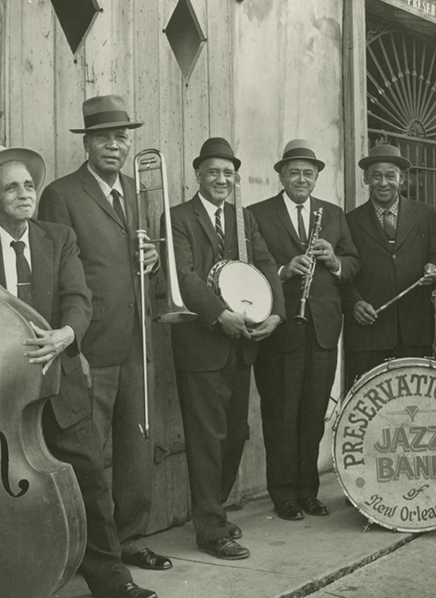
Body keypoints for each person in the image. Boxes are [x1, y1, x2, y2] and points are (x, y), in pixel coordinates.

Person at [0, 146, 157, 598]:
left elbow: (78, 297)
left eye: (28, 185)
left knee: (90, 483)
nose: (24, 194)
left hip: (57, 381)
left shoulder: (57, 237)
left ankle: (113, 582)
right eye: (11, 188)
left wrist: (67, 334)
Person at [37, 95, 171, 574]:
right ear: (87, 143)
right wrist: (73, 345)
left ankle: (131, 540)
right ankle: (90, 553)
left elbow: (146, 267)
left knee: (136, 446)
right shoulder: (61, 193)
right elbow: (55, 276)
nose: (114, 146)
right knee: (87, 457)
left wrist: (153, 264)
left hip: (136, 342)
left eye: (121, 138)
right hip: (89, 346)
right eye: (103, 138)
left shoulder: (138, 190)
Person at [167, 137, 285, 559]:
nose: (221, 179)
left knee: (235, 434)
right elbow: (184, 276)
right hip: (202, 346)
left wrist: (275, 312)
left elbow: (266, 265)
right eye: (213, 172)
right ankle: (210, 527)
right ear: (198, 175)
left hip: (242, 345)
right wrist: (220, 315)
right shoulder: (178, 217)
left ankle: (210, 512)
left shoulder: (243, 220)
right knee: (206, 438)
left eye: (227, 173)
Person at [248, 139, 360, 521]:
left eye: (308, 174)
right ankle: (283, 495)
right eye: (293, 172)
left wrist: (335, 260)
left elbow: (354, 264)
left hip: (323, 328)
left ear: (316, 178)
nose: (301, 179)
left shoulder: (333, 214)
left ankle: (307, 492)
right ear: (281, 175)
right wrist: (282, 271)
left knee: (312, 414)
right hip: (281, 328)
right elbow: (246, 269)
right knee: (281, 413)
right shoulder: (256, 213)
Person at [343, 144, 436, 388]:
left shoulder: (426, 214)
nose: (383, 182)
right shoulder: (350, 221)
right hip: (368, 334)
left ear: (402, 178)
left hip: (415, 332)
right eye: (376, 176)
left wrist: (434, 268)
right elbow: (343, 272)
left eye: (390, 175)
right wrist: (354, 302)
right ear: (366, 179)